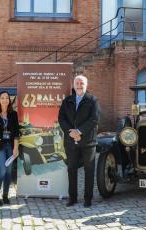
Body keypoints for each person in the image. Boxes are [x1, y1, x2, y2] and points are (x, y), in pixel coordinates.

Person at [58, 75, 101, 207]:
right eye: (77, 83)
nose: (79, 85)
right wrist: (71, 133)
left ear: (86, 85)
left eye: (81, 83)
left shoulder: (93, 100)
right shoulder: (68, 100)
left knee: (89, 170)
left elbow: (94, 119)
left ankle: (88, 199)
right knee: (71, 169)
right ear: (74, 85)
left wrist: (79, 131)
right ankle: (73, 198)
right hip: (71, 141)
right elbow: (61, 118)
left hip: (88, 142)